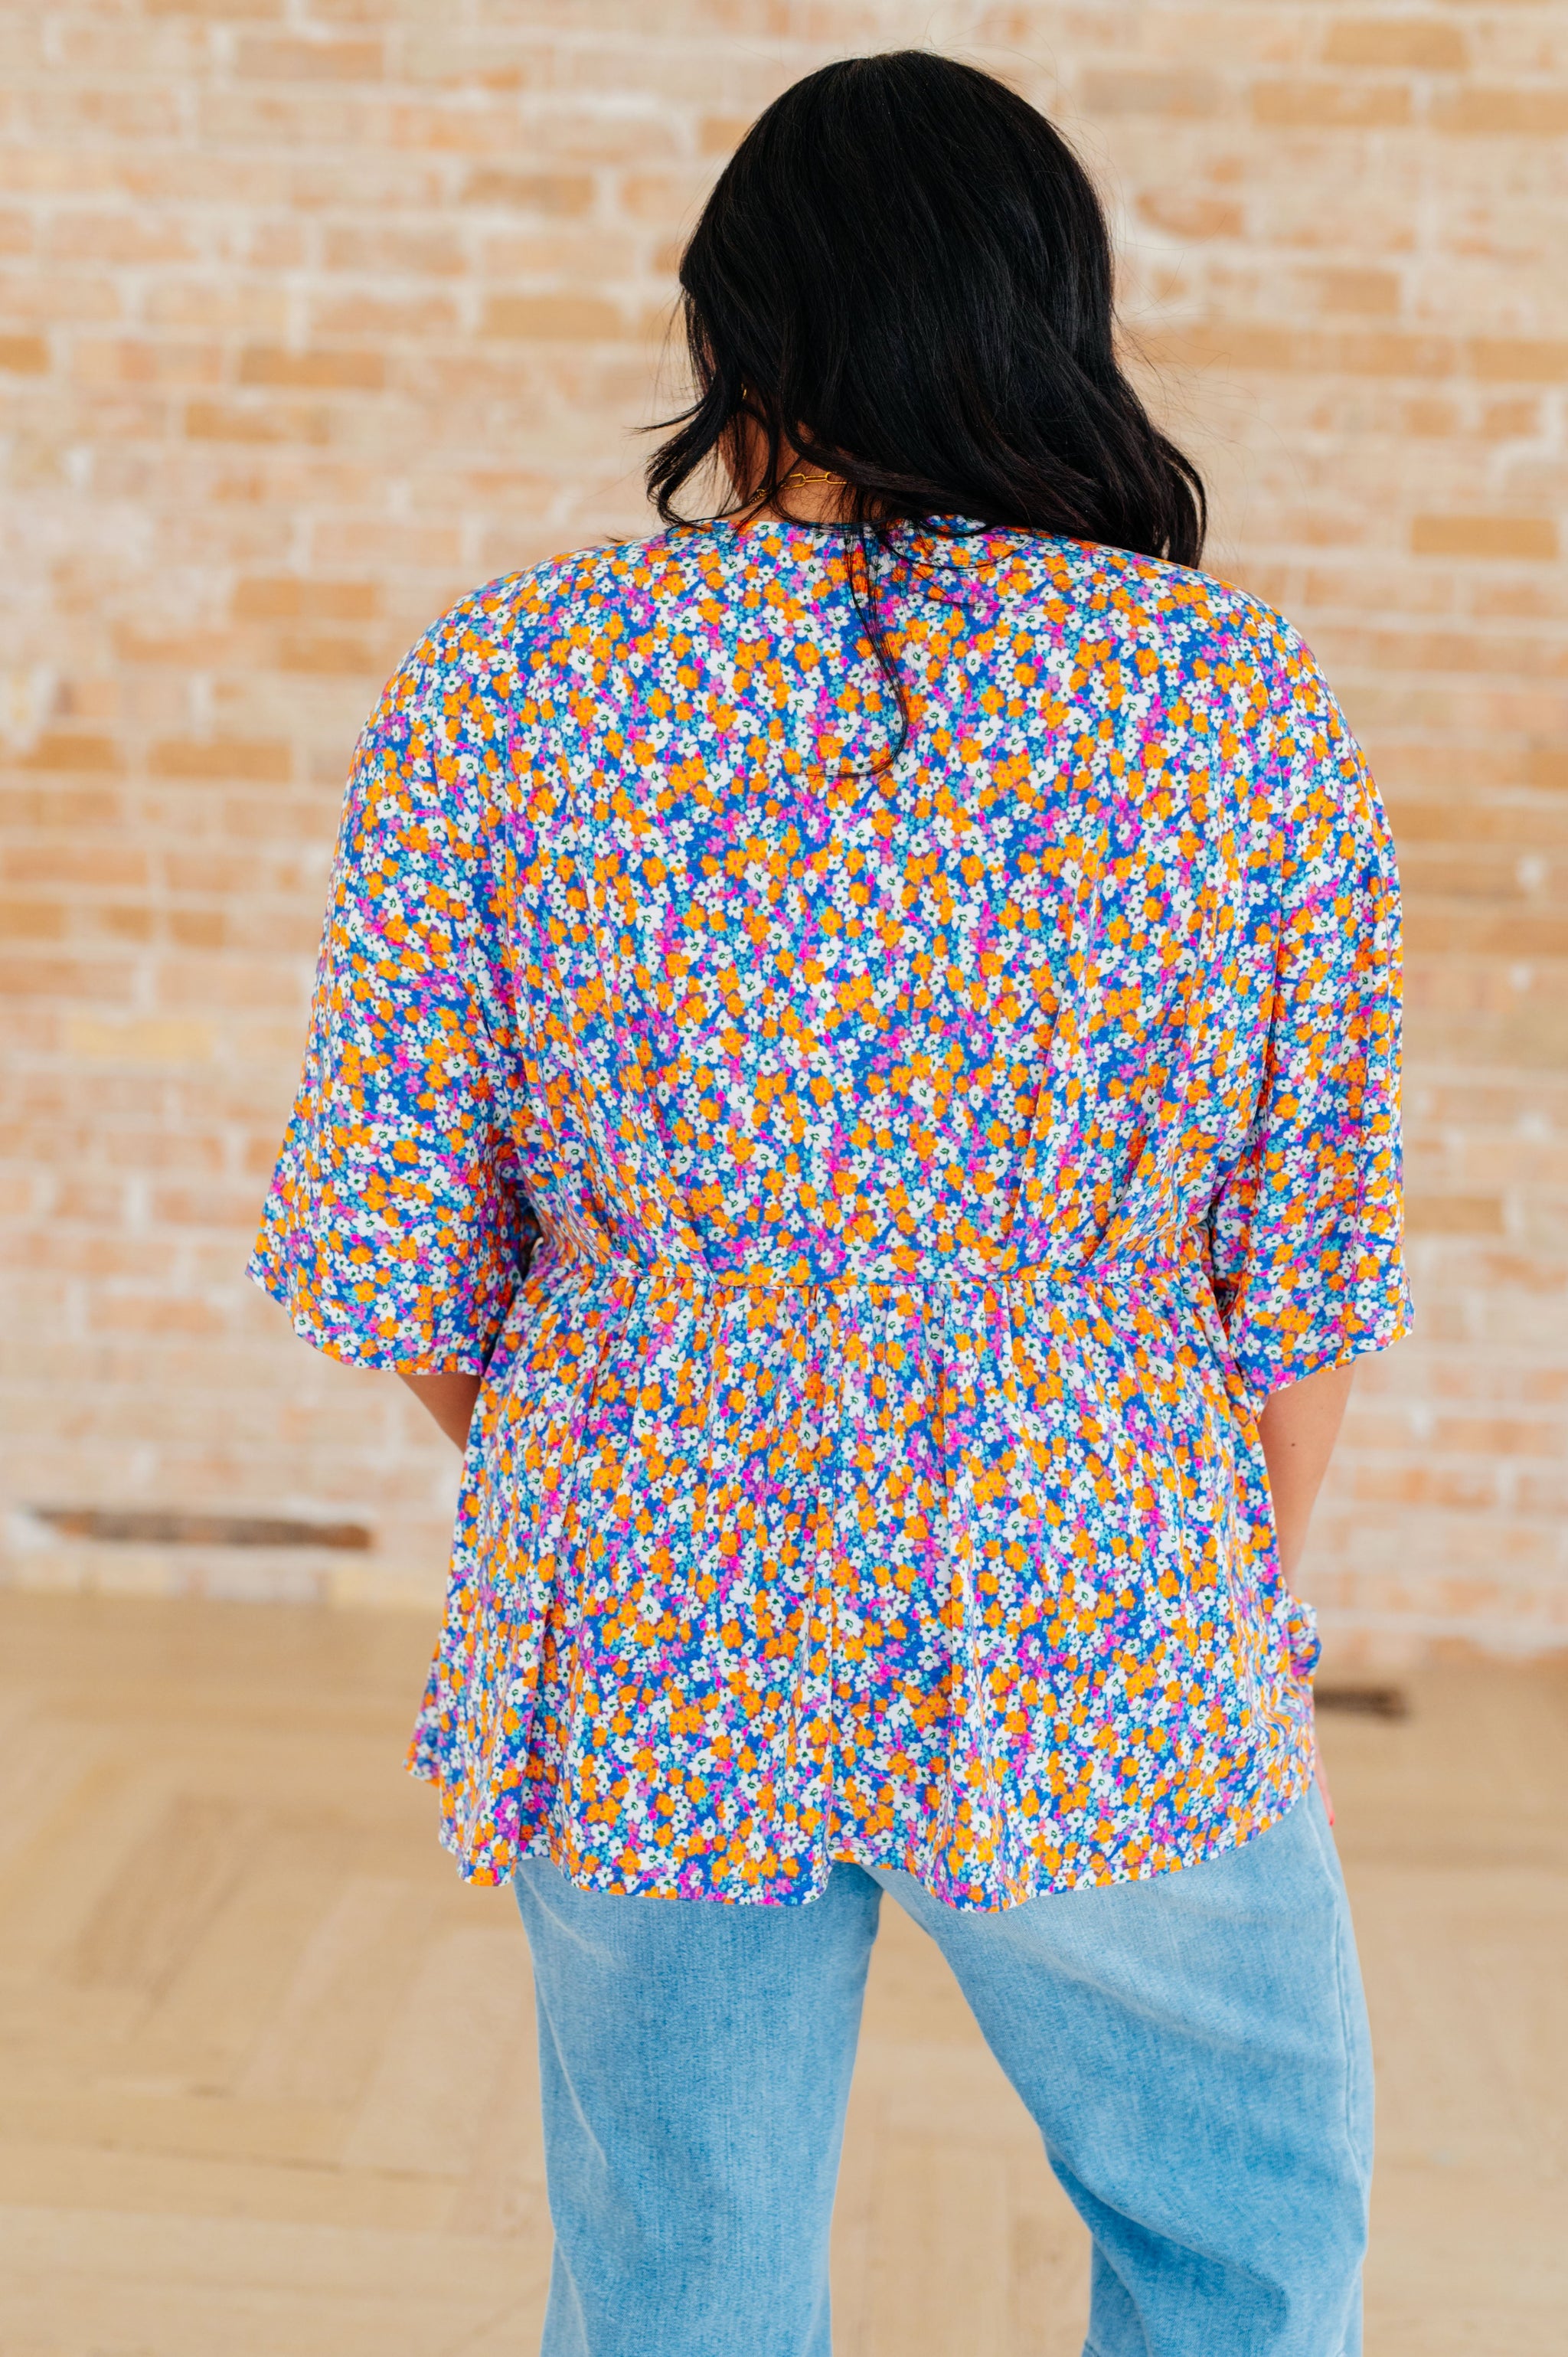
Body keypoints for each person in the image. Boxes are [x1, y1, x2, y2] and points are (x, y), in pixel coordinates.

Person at [251, 48, 1410, 2357]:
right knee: (1245, 2224)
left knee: (676, 2283)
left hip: (648, 1574)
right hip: (1092, 1572)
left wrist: (618, 1438)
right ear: (1048, 320)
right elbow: (1304, 1270)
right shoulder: (1231, 709)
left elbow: (393, 1239)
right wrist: (1211, 1579)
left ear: (733, 331)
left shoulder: (505, 689)